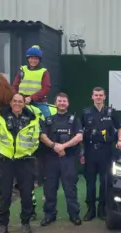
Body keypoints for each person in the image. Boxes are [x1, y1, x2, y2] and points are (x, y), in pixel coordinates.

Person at [0, 93, 41, 233]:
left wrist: (26, 152)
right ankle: (2, 224)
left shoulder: (32, 119)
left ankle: (25, 223)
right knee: (5, 194)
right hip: (6, 161)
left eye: (20, 101)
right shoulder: (0, 118)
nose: (17, 104)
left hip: (25, 161)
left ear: (24, 104)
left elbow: (35, 140)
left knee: (26, 194)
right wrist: (3, 151)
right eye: (15, 101)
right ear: (11, 103)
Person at [80, 87, 121, 221]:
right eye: (96, 95)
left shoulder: (111, 112)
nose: (98, 97)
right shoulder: (85, 113)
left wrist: (120, 140)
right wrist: (81, 152)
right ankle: (91, 209)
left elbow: (120, 128)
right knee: (90, 183)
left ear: (104, 97)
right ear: (92, 97)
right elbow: (79, 133)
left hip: (106, 151)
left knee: (105, 181)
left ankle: (102, 208)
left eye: (101, 95)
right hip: (90, 151)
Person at [39, 92, 83, 226]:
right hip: (51, 160)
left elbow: (79, 136)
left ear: (68, 103)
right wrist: (54, 146)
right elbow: (42, 136)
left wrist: (63, 146)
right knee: (50, 188)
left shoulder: (74, 119)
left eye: (64, 101)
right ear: (55, 103)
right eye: (59, 101)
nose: (62, 103)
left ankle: (74, 215)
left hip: (68, 159)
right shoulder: (48, 120)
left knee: (70, 188)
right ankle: (49, 215)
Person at [13, 45, 52, 118]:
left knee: (47, 118)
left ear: (39, 59)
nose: (33, 61)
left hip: (38, 102)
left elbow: (45, 89)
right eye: (31, 58)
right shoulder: (22, 70)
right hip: (21, 101)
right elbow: (15, 86)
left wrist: (31, 98)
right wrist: (17, 97)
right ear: (28, 59)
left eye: (36, 58)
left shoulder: (44, 72)